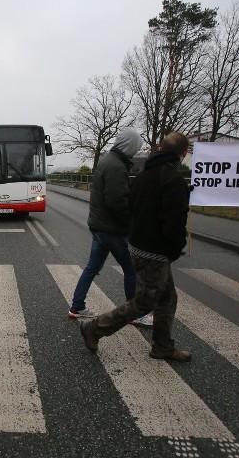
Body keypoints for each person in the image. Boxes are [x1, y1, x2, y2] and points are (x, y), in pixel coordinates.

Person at [78, 131, 192, 362]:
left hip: (138, 245)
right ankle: (95, 327)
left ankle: (162, 346)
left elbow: (130, 207)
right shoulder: (172, 179)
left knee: (167, 298)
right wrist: (174, 248)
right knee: (144, 302)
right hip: (155, 251)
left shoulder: (144, 174)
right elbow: (174, 222)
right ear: (183, 153)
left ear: (160, 149)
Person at [67, 127, 153, 327]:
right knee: (131, 269)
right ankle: (135, 313)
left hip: (99, 226)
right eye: (135, 147)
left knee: (91, 267)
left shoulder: (107, 160)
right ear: (130, 146)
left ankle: (77, 306)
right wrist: (131, 224)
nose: (135, 151)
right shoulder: (116, 166)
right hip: (112, 228)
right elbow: (116, 202)